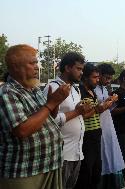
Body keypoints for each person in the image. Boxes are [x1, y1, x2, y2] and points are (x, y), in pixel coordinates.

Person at [0, 44, 70, 189]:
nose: (37, 67)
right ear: (15, 66)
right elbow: (22, 130)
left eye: (36, 62)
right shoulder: (7, 93)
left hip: (48, 165)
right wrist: (51, 103)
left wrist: (55, 103)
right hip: (24, 172)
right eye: (32, 63)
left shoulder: (34, 89)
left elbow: (48, 117)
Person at [43, 52, 92, 189]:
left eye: (82, 69)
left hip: (77, 152)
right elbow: (47, 121)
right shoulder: (52, 87)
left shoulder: (75, 89)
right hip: (62, 155)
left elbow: (77, 116)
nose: (81, 73)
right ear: (67, 68)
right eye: (78, 69)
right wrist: (77, 111)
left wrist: (88, 110)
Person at [75, 63, 111, 189]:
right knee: (86, 171)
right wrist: (97, 109)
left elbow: (96, 110)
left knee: (96, 170)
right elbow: (79, 116)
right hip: (86, 136)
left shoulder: (92, 91)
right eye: (94, 77)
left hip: (96, 133)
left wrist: (105, 104)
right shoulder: (80, 91)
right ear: (85, 78)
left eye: (98, 77)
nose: (97, 80)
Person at [94, 63, 125, 189]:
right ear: (99, 75)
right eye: (106, 78)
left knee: (111, 152)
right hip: (98, 125)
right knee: (101, 154)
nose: (108, 81)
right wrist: (108, 102)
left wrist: (112, 102)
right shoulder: (93, 88)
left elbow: (108, 108)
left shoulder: (104, 89)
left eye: (110, 78)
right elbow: (96, 108)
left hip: (108, 125)